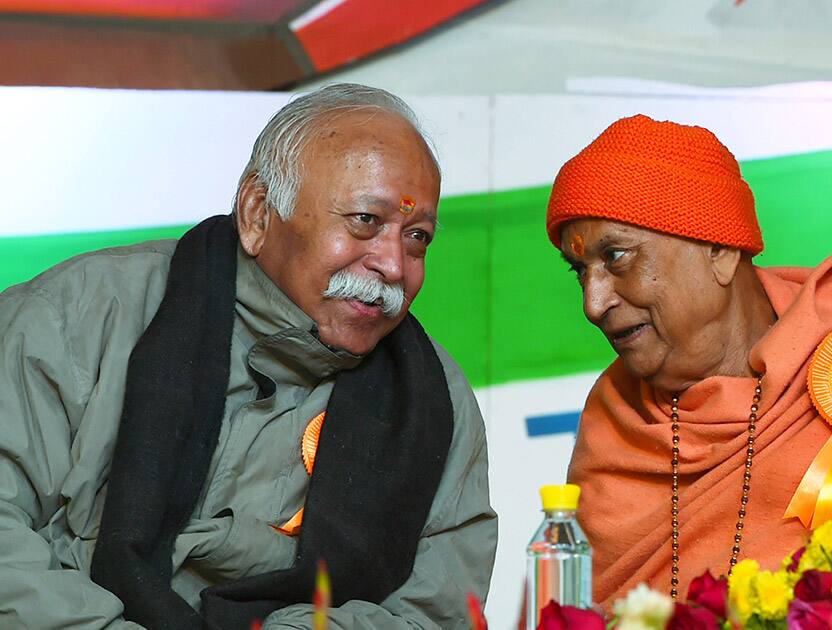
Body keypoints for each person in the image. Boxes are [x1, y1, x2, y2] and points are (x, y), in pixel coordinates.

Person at [0, 84, 496, 629]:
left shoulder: (430, 401)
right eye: (365, 221)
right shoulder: (79, 316)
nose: (395, 266)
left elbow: (437, 612)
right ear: (259, 214)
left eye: (417, 237)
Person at [545, 114, 832, 607]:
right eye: (579, 272)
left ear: (718, 248)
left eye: (616, 257)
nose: (593, 304)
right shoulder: (616, 423)